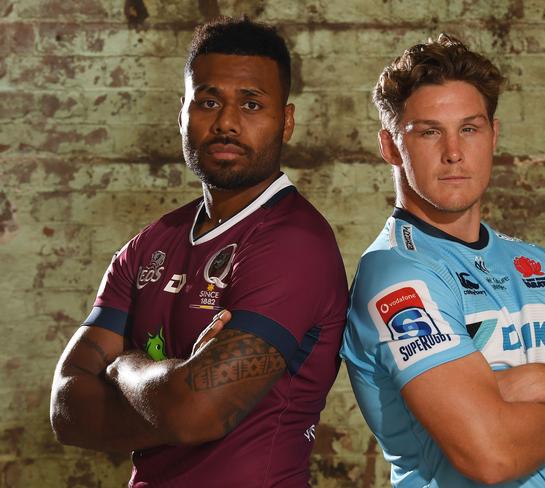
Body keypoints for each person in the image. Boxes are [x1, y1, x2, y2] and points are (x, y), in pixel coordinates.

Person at [340, 34, 545, 487]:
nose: (453, 152)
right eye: (429, 131)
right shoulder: (396, 273)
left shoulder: (543, 268)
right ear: (389, 147)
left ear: (493, 134)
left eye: (469, 128)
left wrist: (544, 382)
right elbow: (493, 454)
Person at [50, 17, 348, 487]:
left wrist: (126, 365)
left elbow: (196, 414)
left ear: (286, 122)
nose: (227, 122)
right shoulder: (149, 244)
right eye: (208, 102)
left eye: (251, 104)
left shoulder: (294, 243)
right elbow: (65, 409)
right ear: (182, 114)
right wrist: (173, 393)